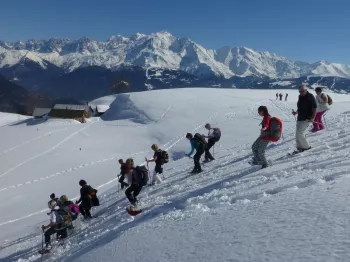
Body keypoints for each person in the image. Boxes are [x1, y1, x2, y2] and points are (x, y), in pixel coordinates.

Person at [292, 85, 317, 153]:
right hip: (300, 117)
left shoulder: (310, 96)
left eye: (302, 91)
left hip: (307, 118)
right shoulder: (300, 96)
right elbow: (300, 106)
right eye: (300, 91)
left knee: (299, 133)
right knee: (298, 133)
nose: (301, 92)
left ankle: (306, 147)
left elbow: (314, 108)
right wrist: (296, 112)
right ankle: (300, 147)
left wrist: (312, 118)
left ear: (306, 90)